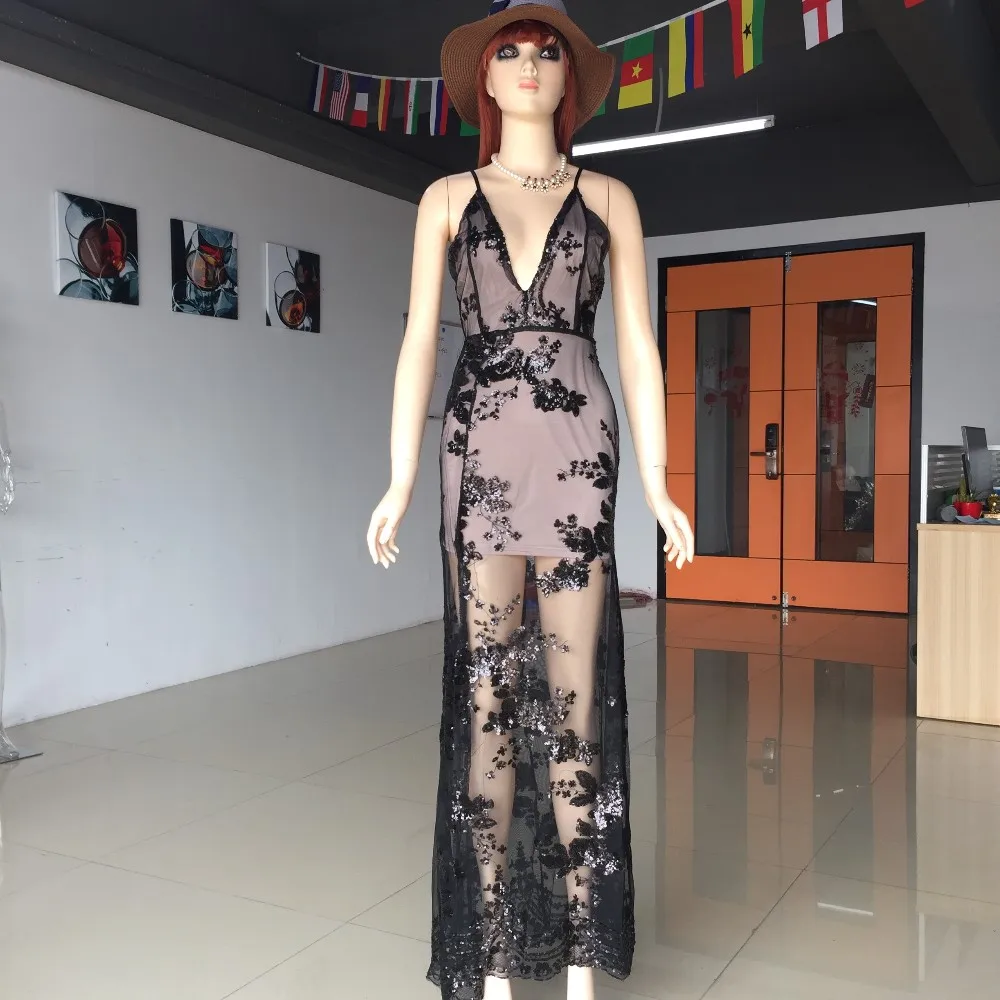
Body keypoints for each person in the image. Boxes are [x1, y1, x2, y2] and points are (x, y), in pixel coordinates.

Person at [366, 3, 693, 998]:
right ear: (483, 78)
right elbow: (420, 338)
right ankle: (500, 959)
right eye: (508, 51)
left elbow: (637, 344)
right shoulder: (444, 198)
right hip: (477, 464)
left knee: (575, 708)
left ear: (569, 80)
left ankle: (585, 960)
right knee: (490, 706)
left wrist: (658, 481)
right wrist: (400, 475)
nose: (526, 65)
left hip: (578, 459)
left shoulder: (611, 198)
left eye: (546, 52)